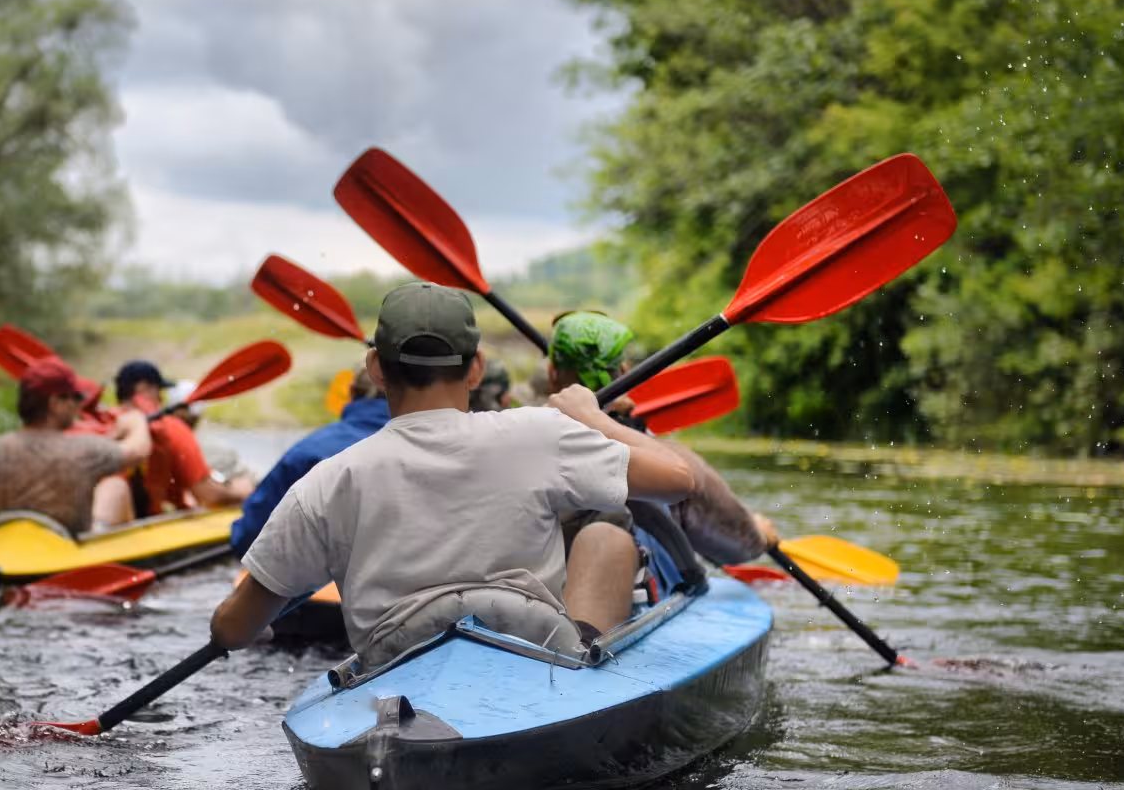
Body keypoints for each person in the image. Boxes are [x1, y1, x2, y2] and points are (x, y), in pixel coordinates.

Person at [209, 282, 696, 669]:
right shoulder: (538, 433)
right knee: (606, 533)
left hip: (394, 668)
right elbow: (679, 478)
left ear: (376, 367)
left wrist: (252, 628)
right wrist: (595, 418)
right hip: (535, 652)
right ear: (477, 369)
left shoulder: (329, 479)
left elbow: (232, 630)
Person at [546, 310, 775, 580]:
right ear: (624, 371)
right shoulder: (667, 464)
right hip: (621, 595)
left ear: (552, 374)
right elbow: (739, 547)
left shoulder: (510, 435)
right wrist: (761, 535)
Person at [0, 357, 151, 539]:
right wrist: (137, 421)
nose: (78, 406)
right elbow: (139, 452)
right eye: (75, 398)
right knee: (116, 486)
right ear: (55, 403)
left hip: (1, 564)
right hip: (64, 562)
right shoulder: (86, 451)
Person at [229, 365, 390, 557]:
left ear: (351, 392)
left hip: (322, 579)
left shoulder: (308, 452)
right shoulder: (429, 446)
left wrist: (238, 534)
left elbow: (251, 535)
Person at [114, 359, 254, 515]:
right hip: (145, 526)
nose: (161, 398)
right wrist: (243, 492)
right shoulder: (171, 427)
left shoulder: (105, 424)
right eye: (159, 390)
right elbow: (209, 496)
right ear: (144, 389)